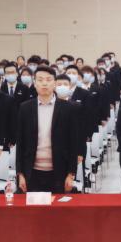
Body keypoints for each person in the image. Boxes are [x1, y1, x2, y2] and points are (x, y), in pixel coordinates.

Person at [16, 65, 83, 194]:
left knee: (58, 206)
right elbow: (20, 143)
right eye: (40, 80)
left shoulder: (68, 109)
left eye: (48, 79)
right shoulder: (25, 108)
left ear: (55, 83)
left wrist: (71, 174)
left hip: (59, 171)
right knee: (33, 207)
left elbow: (73, 143)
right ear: (34, 83)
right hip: (32, 171)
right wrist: (20, 173)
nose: (44, 83)